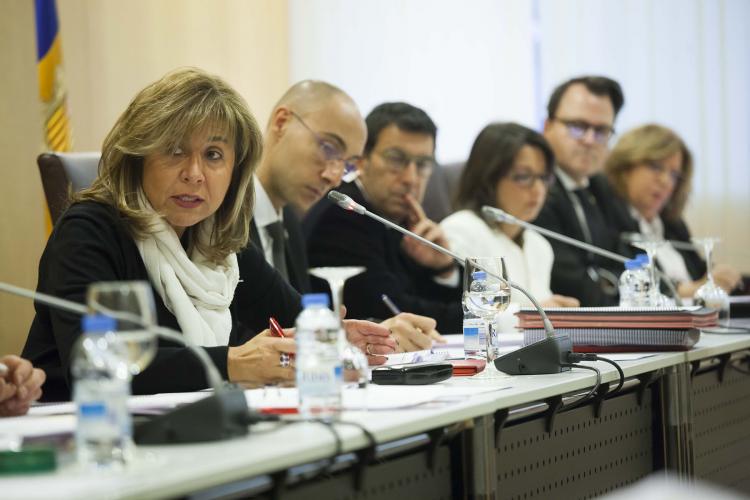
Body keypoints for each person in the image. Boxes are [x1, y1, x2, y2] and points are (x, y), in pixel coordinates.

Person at [22, 68, 395, 402]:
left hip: (187, 429)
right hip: (77, 434)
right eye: (175, 150)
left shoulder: (217, 241)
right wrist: (237, 362)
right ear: (138, 156)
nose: (195, 173)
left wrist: (339, 337)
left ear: (235, 170)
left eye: (214, 155)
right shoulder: (88, 232)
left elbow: (294, 316)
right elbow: (101, 367)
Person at [250, 81, 445, 351]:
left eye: (347, 164)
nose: (333, 176)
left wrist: (355, 336)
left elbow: (293, 325)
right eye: (328, 148)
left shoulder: (289, 222)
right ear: (282, 123)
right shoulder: (223, 215)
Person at [305, 102, 462, 333]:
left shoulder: (406, 222)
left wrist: (443, 269)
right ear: (362, 160)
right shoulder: (342, 216)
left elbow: (425, 303)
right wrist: (485, 317)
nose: (410, 178)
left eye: (422, 165)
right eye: (396, 159)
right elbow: (393, 311)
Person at [441, 122, 580, 308]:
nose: (538, 190)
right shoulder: (460, 231)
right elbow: (467, 314)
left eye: (544, 178)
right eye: (523, 177)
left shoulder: (539, 245)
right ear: (488, 177)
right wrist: (537, 314)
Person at [605, 124, 742, 297]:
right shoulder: (609, 219)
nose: (666, 181)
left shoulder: (672, 224)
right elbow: (620, 282)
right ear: (625, 167)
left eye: (674, 175)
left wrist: (720, 276)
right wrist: (688, 291)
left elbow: (699, 272)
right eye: (656, 167)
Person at [534, 75, 629, 306]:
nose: (589, 140)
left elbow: (633, 259)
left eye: (601, 130)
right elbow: (571, 284)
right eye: (577, 127)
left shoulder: (601, 185)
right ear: (547, 127)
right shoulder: (534, 190)